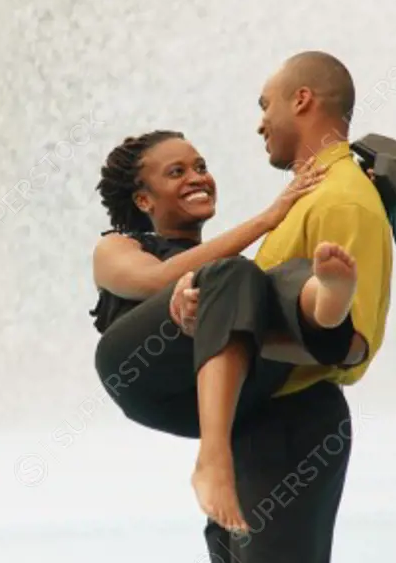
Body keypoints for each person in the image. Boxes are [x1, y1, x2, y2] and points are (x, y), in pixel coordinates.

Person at [171, 51, 393, 562]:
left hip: (295, 426)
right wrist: (206, 315)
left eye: (265, 104)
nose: (259, 123)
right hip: (259, 423)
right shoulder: (307, 200)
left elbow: (350, 346)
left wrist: (232, 332)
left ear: (302, 100)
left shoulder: (341, 200)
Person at [91, 130, 368, 533]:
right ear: (143, 199)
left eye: (201, 167)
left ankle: (327, 311)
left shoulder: (230, 279)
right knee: (234, 274)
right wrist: (269, 217)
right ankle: (212, 458)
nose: (197, 177)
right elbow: (157, 280)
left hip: (219, 394)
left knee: (271, 283)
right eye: (177, 171)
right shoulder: (118, 247)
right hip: (139, 375)